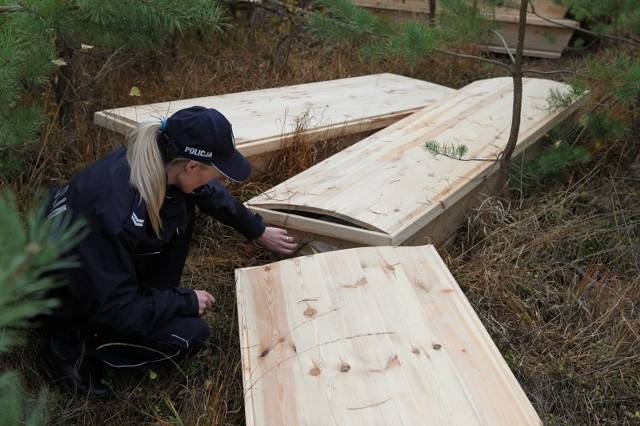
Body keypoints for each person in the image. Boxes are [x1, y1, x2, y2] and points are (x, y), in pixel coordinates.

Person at [39, 106, 297, 399]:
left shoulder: (153, 160)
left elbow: (206, 192)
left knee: (180, 203)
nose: (219, 179)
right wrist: (182, 301)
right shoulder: (116, 214)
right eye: (216, 172)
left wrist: (256, 229)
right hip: (64, 299)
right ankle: (73, 348)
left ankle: (144, 302)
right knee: (188, 336)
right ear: (191, 165)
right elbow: (116, 311)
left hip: (94, 274)